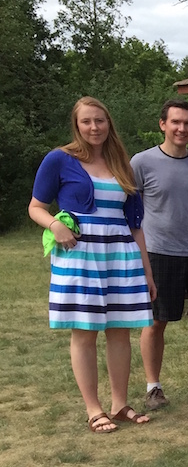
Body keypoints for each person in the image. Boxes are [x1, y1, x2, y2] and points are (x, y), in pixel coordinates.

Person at [29, 96, 155, 433]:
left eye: (99, 120)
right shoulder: (59, 159)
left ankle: (119, 403)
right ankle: (93, 409)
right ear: (77, 125)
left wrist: (147, 272)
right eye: (86, 121)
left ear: (108, 123)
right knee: (84, 333)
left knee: (119, 332)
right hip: (80, 255)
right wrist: (55, 226)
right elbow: (36, 206)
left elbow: (136, 225)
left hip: (121, 255)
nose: (94, 127)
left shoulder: (121, 164)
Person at [132, 99, 188, 410]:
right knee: (157, 319)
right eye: (176, 122)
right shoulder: (142, 163)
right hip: (159, 252)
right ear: (163, 125)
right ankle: (153, 387)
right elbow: (134, 209)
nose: (182, 128)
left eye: (187, 123)